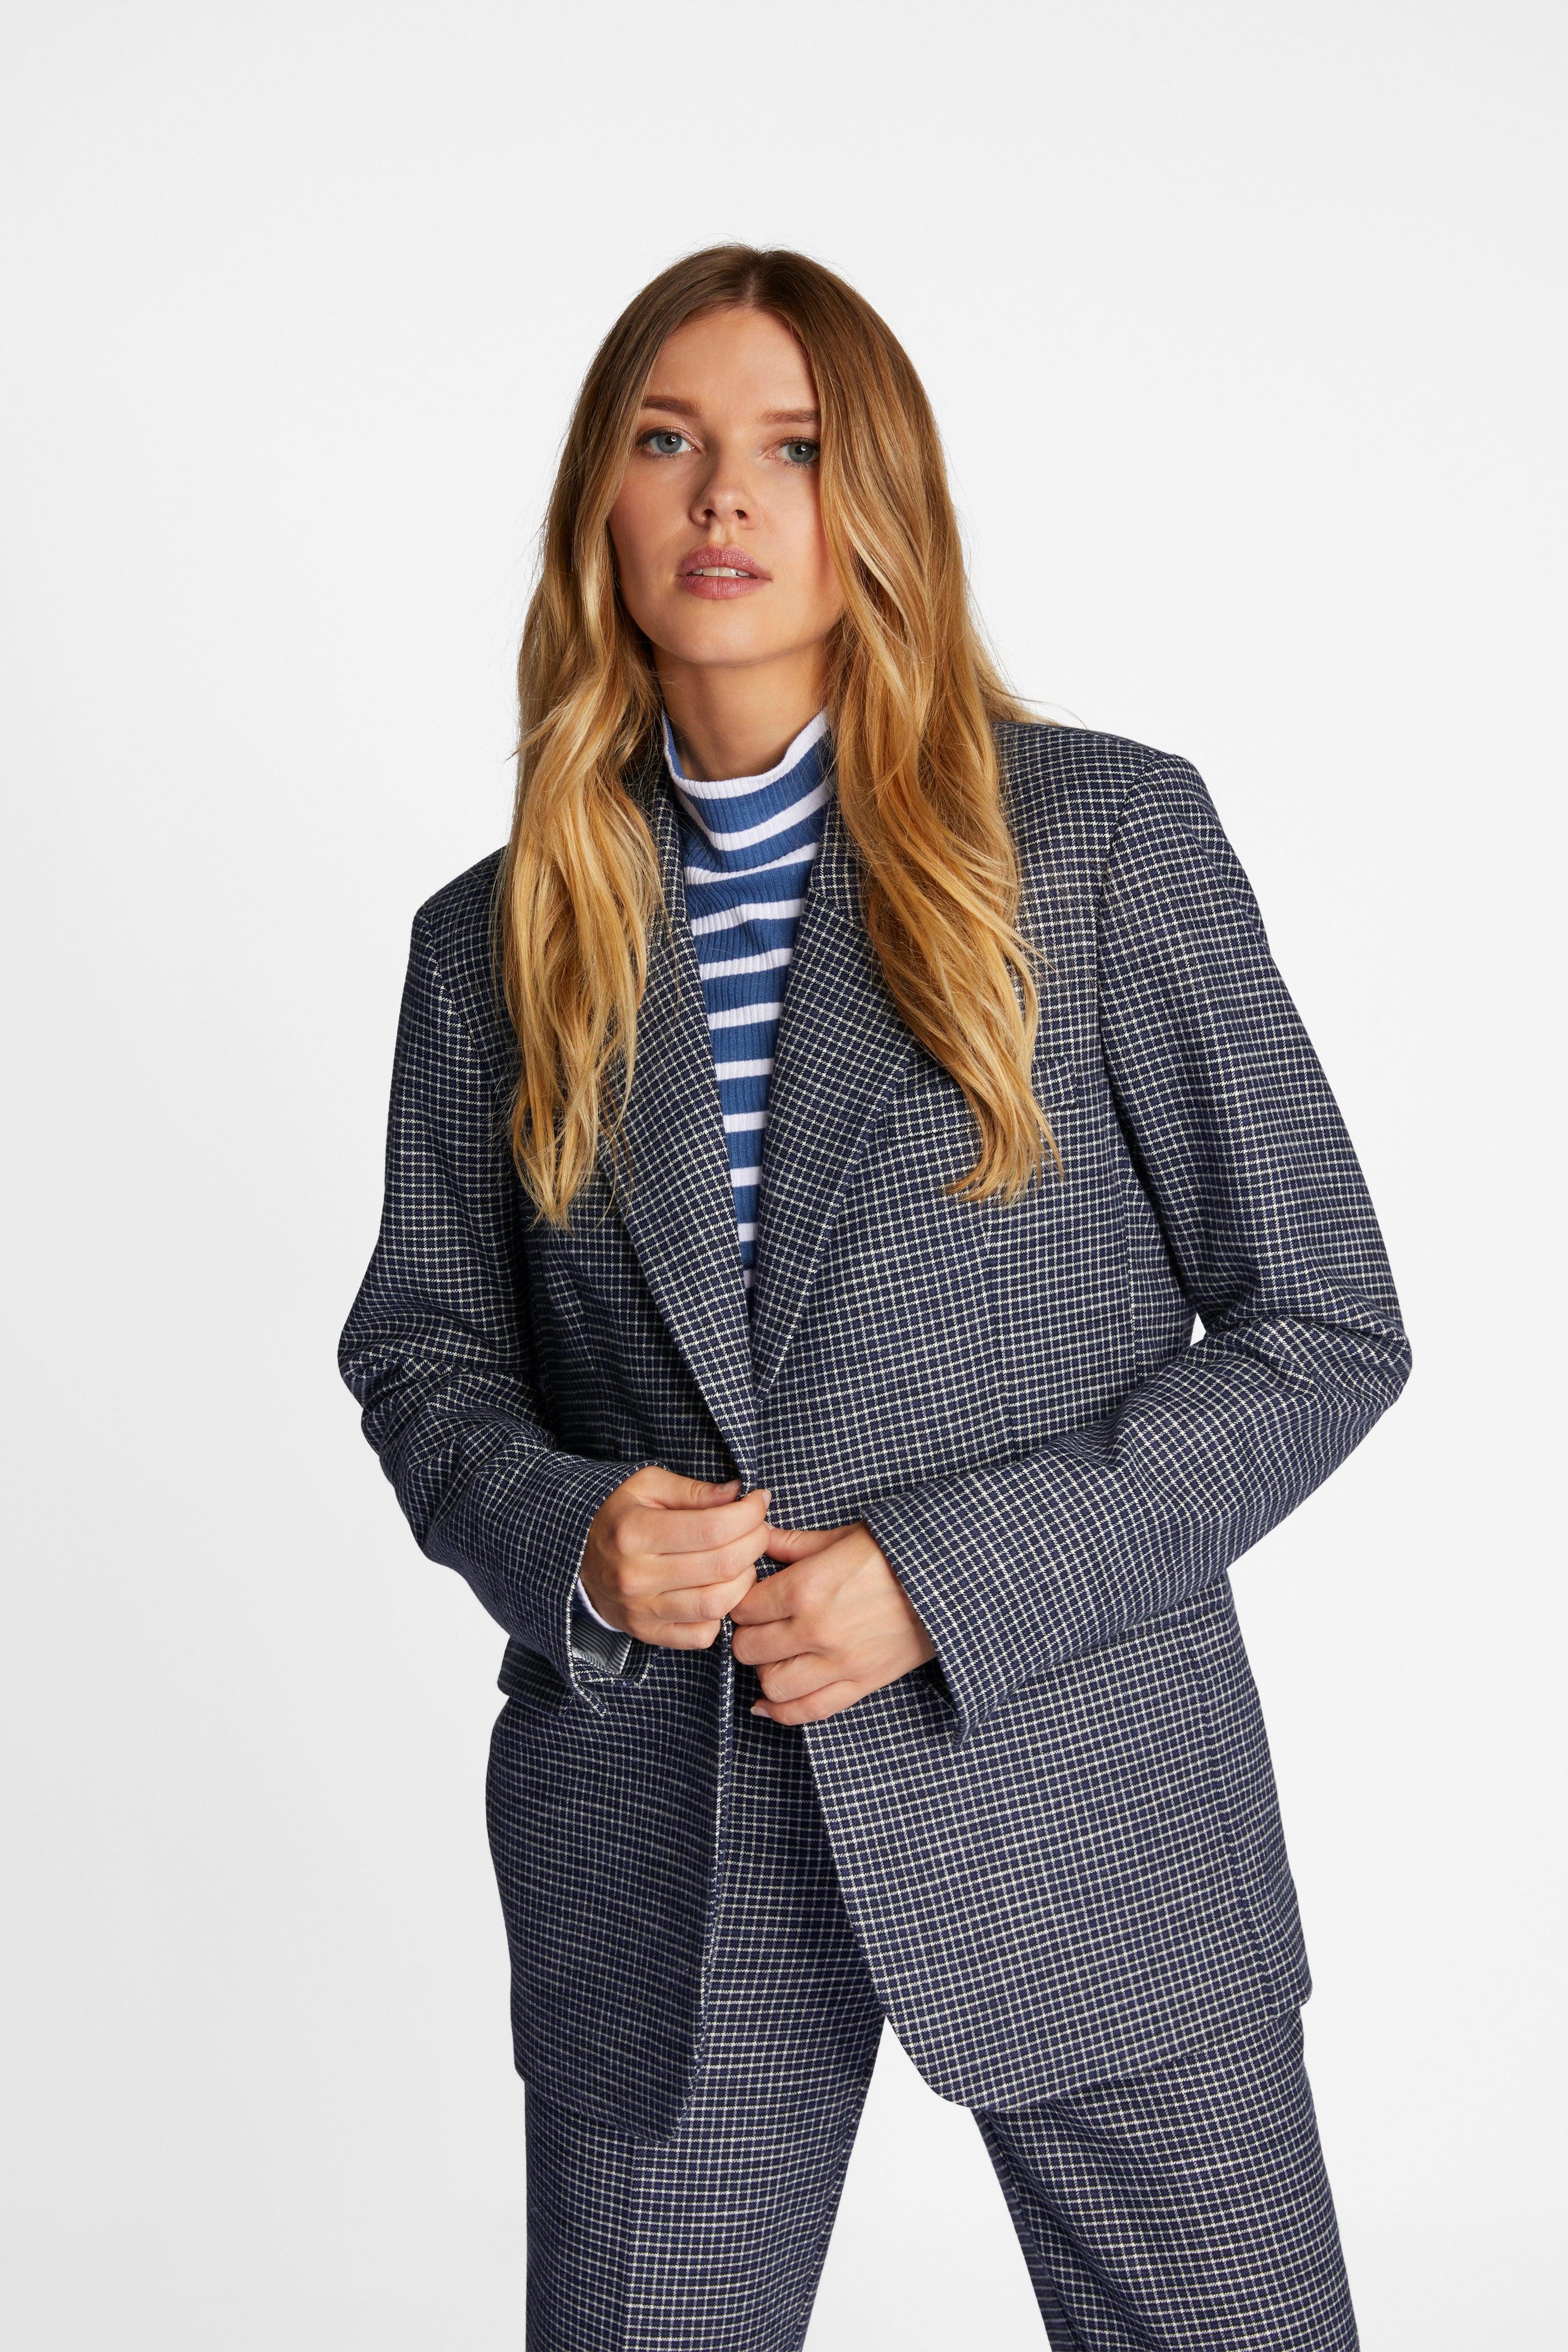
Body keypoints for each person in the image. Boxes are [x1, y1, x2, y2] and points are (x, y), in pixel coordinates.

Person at [338, 244, 1410, 2350]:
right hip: (664, 1842)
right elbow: (423, 1350)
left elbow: (1324, 1325)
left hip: (1079, 1787)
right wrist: (577, 1531)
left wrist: (945, 1575)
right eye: (669, 441)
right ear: (602, 501)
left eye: (794, 448)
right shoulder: (497, 937)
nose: (725, 495)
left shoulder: (1100, 843)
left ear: (878, 500)